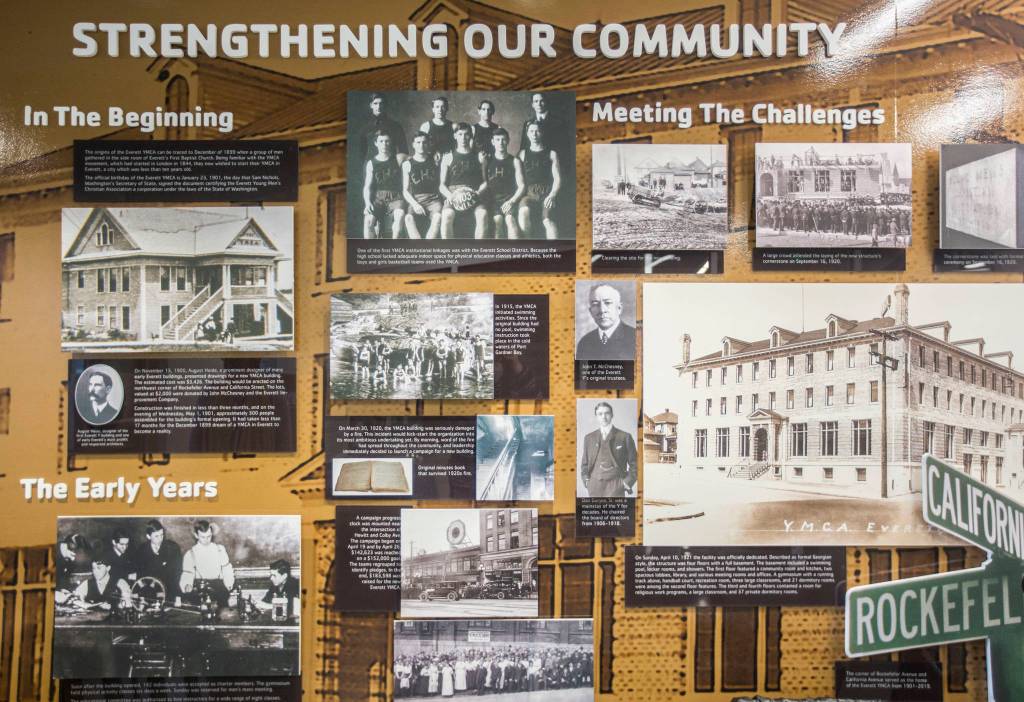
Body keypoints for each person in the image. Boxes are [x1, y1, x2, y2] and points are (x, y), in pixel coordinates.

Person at [439, 122, 488, 239]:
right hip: (453, 194)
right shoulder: (448, 157)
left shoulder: (479, 157)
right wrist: (451, 197)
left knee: (483, 214)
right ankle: (448, 253)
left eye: (466, 134)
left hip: (474, 194)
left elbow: (485, 182)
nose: (463, 138)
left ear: (471, 136)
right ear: (455, 136)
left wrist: (477, 193)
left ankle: (479, 253)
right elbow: (441, 185)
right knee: (446, 215)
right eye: (460, 134)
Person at [579, 401, 638, 498]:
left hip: (616, 485)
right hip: (594, 486)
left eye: (607, 413)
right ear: (596, 416)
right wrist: (586, 480)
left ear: (612, 415)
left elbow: (635, 463)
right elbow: (584, 464)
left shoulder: (624, 437)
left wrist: (627, 483)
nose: (604, 416)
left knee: (615, 512)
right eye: (600, 414)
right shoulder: (589, 438)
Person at [517, 122, 561, 239]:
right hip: (529, 194)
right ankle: (529, 249)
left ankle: (555, 253)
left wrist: (552, 195)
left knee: (548, 221)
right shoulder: (522, 154)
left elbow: (557, 179)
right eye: (531, 131)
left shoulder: (552, 154)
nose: (534, 134)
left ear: (542, 133)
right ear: (527, 134)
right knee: (523, 212)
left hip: (547, 193)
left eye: (537, 131)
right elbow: (518, 180)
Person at [179, 519, 235, 607]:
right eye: (203, 537)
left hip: (218, 587)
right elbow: (187, 573)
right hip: (200, 589)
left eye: (209, 536)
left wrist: (228, 583)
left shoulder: (219, 549)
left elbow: (226, 569)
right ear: (196, 535)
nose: (206, 540)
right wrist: (187, 585)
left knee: (222, 613)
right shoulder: (190, 554)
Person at [363, 131, 406, 239]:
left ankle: (393, 247)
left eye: (387, 141)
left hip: (396, 197)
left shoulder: (399, 158)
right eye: (381, 141)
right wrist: (367, 203)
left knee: (400, 215)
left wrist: (435, 154)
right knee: (368, 221)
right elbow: (367, 187)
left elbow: (418, 157)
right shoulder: (371, 163)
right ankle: (370, 252)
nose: (384, 144)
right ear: (376, 143)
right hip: (378, 199)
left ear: (391, 143)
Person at [576, 283, 636, 361]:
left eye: (608, 303)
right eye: (595, 304)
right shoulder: (584, 342)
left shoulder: (635, 338)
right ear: (590, 311)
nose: (602, 310)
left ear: (619, 308)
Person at [484, 128, 525, 240]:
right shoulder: (487, 161)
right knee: (498, 221)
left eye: (503, 140)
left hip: (510, 199)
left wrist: (512, 201)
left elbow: (521, 186)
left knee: (510, 220)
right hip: (492, 201)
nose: (500, 143)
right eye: (497, 140)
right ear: (492, 142)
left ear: (508, 141)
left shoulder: (515, 161)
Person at [402, 132, 442, 239]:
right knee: (408, 218)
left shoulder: (435, 161)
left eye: (424, 142)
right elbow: (405, 191)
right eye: (418, 142)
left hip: (434, 199)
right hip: (416, 199)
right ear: (413, 145)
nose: (421, 145)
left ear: (428, 144)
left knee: (438, 217)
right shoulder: (407, 164)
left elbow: (442, 183)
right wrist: (415, 204)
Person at [132, 519, 182, 600]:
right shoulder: (142, 550)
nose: (160, 539)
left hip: (169, 592)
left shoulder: (173, 548)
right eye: (156, 536)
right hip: (149, 593)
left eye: (162, 535)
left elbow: (176, 575)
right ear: (148, 536)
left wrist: (178, 596)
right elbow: (141, 576)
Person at [360, 93, 407, 167]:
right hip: (371, 166)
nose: (378, 107)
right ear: (371, 105)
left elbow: (404, 151)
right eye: (375, 103)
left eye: (381, 103)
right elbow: (361, 152)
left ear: (385, 105)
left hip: (391, 166)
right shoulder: (365, 128)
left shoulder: (395, 126)